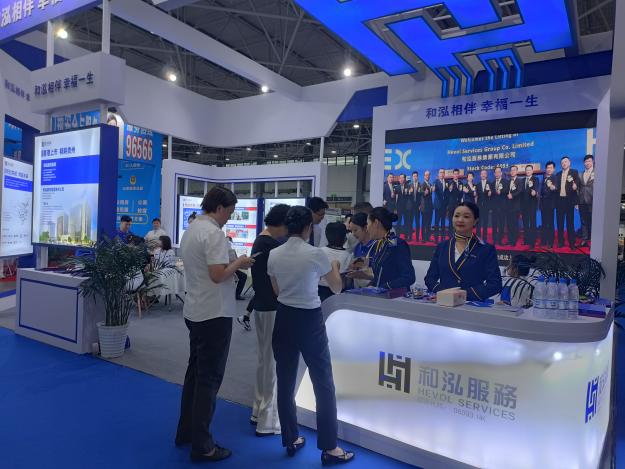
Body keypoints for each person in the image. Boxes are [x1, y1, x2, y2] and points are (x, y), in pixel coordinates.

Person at [268, 206, 355, 465]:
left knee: (285, 380)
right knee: (323, 382)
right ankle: (329, 447)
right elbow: (336, 288)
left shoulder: (274, 253)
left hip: (284, 316)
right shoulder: (315, 253)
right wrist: (335, 267)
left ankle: (290, 438)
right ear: (308, 228)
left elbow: (276, 290)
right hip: (309, 319)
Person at [175, 187, 254, 463]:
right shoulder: (214, 233)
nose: (229, 217)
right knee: (208, 380)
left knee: (195, 375)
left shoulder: (192, 229)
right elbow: (218, 275)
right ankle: (203, 445)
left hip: (196, 309)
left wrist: (230, 263)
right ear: (219, 207)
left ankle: (186, 432)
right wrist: (240, 262)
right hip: (214, 314)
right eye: (229, 212)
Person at [248, 203, 290, 438]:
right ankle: (268, 420)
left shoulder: (261, 241)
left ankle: (258, 410)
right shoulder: (272, 246)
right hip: (272, 308)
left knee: (265, 360)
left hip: (262, 307)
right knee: (272, 363)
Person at [424, 202, 502, 301]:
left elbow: (495, 284)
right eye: (456, 216)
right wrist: (444, 293)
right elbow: (430, 279)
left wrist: (462, 295)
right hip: (444, 303)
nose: (460, 220)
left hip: (471, 305)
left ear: (475, 221)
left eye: (466, 216)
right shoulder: (442, 246)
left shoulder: (486, 249)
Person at [366, 207, 416, 290]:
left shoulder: (397, 244)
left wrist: (383, 287)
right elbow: (380, 277)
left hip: (395, 296)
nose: (367, 229)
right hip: (381, 295)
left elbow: (409, 277)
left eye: (368, 224)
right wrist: (370, 287)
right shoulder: (379, 244)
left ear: (376, 223)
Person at [319, 222, 353, 302]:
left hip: (319, 291)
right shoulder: (348, 255)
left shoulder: (320, 252)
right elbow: (348, 280)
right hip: (340, 293)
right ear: (344, 238)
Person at [555, 156, 580, 249]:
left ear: (569, 163)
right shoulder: (558, 174)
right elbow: (556, 187)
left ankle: (572, 243)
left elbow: (577, 182)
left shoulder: (574, 172)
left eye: (565, 162)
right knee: (560, 223)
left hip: (569, 201)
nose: (564, 164)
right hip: (559, 201)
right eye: (562, 162)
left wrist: (576, 185)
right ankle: (560, 242)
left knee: (570, 223)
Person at [346, 213, 375, 288]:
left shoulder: (377, 246)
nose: (353, 234)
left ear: (365, 228)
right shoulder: (357, 247)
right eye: (351, 231)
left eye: (355, 230)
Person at [521, 165, 540, 247]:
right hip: (523, 206)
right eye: (527, 170)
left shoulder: (536, 179)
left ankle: (532, 241)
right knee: (525, 223)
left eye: (529, 170)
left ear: (532, 171)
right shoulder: (522, 180)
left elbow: (536, 188)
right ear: (525, 171)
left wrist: (535, 192)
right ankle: (526, 240)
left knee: (532, 223)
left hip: (532, 205)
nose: (528, 171)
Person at [540, 161, 558, 247]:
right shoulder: (544, 177)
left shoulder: (555, 178)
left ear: (553, 169)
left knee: (550, 223)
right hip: (543, 203)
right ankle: (544, 241)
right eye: (547, 168)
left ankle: (550, 242)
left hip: (550, 204)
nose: (549, 169)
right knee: (543, 223)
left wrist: (553, 188)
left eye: (551, 168)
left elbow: (556, 188)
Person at [578, 155, 594, 247]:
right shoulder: (580, 174)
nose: (587, 163)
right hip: (582, 201)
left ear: (592, 162)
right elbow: (578, 188)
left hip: (593, 201)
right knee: (583, 221)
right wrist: (577, 201)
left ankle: (593, 240)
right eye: (586, 161)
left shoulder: (597, 172)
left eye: (589, 161)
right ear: (584, 163)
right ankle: (584, 239)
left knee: (593, 221)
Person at [491, 167, 509, 245]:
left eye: (499, 172)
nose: (497, 173)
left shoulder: (506, 182)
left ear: (501, 173)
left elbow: (507, 191)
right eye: (496, 172)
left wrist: (501, 192)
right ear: (494, 174)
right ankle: (494, 239)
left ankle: (500, 239)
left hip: (503, 207)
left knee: (501, 223)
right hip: (494, 207)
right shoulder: (492, 183)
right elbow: (491, 196)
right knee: (494, 223)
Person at [226, 237, 248, 301]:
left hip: (232, 267)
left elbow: (235, 259)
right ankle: (236, 294)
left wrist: (242, 261)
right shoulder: (225, 250)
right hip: (227, 268)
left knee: (243, 276)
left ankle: (237, 294)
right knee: (242, 276)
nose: (230, 243)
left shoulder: (232, 250)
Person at [506, 165, 522, 246]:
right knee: (509, 224)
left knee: (514, 224)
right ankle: (510, 239)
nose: (512, 172)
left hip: (516, 206)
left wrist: (512, 195)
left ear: (517, 171)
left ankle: (514, 240)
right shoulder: (508, 181)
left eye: (514, 170)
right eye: (511, 170)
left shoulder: (519, 181)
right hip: (508, 206)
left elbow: (519, 191)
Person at [475, 169, 492, 242]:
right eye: (482, 174)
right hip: (479, 206)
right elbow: (476, 196)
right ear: (480, 175)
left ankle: (485, 237)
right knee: (478, 223)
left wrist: (490, 194)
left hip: (486, 206)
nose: (483, 175)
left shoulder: (490, 184)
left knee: (485, 222)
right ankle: (478, 237)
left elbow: (492, 196)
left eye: (485, 173)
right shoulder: (477, 185)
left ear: (486, 175)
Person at [446, 169, 463, 238]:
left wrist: (460, 191)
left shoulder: (461, 183)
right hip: (451, 205)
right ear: (453, 175)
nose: (456, 175)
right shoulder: (450, 183)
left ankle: (457, 233)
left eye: (457, 174)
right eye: (454, 174)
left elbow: (461, 195)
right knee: (451, 220)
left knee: (458, 220)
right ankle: (450, 234)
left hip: (458, 205)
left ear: (458, 175)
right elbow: (447, 194)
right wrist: (449, 190)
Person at [433, 169, 448, 241]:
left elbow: (447, 194)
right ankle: (436, 238)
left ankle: (442, 238)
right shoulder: (435, 182)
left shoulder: (447, 182)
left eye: (443, 173)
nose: (441, 174)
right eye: (440, 173)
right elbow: (433, 189)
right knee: (436, 222)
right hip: (438, 206)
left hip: (444, 206)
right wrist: (433, 189)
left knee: (443, 222)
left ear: (444, 174)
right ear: (438, 174)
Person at [395, 174, 410, 238]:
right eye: (400, 178)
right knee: (399, 221)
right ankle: (397, 235)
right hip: (399, 207)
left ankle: (406, 235)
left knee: (406, 221)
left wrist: (408, 192)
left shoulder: (408, 186)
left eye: (402, 178)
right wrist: (395, 207)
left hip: (406, 207)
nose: (401, 179)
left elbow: (410, 196)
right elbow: (395, 198)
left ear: (404, 179)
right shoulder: (397, 187)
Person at [408, 171, 422, 242]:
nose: (415, 177)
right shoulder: (409, 185)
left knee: (417, 222)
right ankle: (410, 237)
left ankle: (417, 238)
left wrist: (420, 205)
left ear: (417, 177)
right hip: (411, 206)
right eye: (414, 176)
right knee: (410, 222)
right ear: (412, 177)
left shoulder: (420, 185)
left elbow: (421, 196)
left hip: (417, 207)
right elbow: (406, 195)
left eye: (416, 176)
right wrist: (409, 192)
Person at [420, 170, 434, 242]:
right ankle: (423, 238)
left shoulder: (430, 184)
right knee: (424, 223)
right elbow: (421, 192)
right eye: (426, 175)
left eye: (428, 175)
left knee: (429, 223)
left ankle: (428, 237)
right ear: (424, 176)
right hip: (424, 207)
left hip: (430, 207)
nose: (427, 176)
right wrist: (425, 193)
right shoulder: (422, 184)